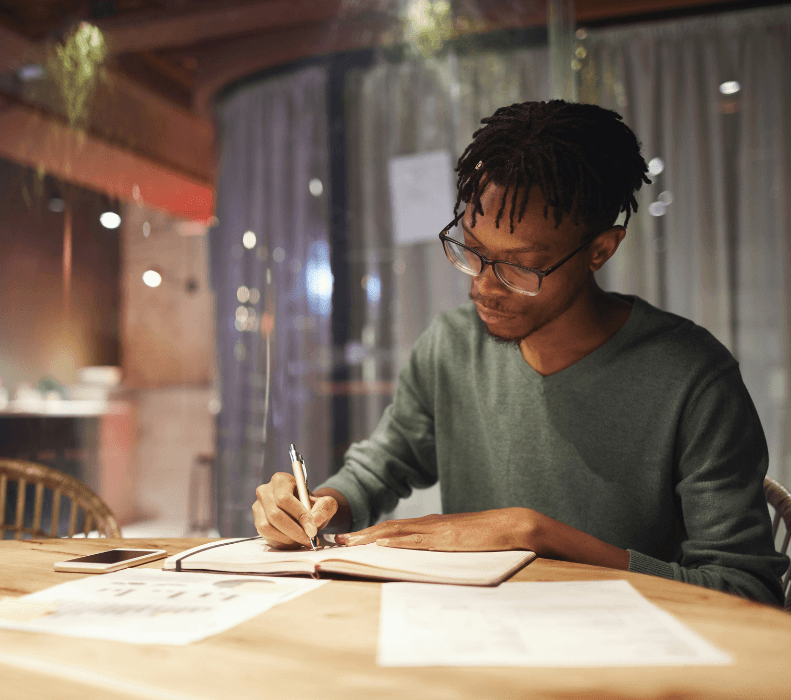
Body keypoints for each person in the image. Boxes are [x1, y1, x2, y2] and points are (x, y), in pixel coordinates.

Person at [252, 100, 789, 606]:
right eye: (473, 251)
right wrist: (315, 504)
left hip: (634, 657)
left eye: (520, 266)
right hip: (478, 634)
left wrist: (537, 535)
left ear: (601, 249)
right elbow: (382, 465)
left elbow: (744, 591)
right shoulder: (452, 346)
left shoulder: (692, 377)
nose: (484, 286)